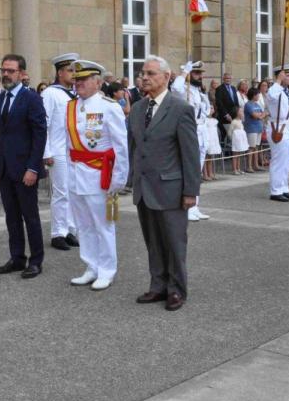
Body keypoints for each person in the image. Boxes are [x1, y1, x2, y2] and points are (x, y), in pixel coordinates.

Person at [128, 55, 201, 312]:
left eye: (150, 73)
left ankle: (176, 290)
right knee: (153, 242)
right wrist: (130, 179)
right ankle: (157, 285)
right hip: (144, 189)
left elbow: (190, 154)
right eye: (142, 73)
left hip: (171, 189)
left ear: (166, 77)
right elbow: (135, 147)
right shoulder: (137, 108)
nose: (144, 78)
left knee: (173, 242)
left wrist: (191, 192)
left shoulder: (180, 108)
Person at [66, 61, 129, 291]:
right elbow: (67, 145)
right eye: (76, 79)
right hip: (76, 174)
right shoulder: (71, 106)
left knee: (104, 224)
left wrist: (119, 178)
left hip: (100, 175)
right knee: (84, 226)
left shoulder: (109, 106)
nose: (79, 83)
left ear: (98, 82)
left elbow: (121, 145)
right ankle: (91, 267)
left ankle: (107, 270)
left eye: (84, 79)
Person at [0, 54, 48, 279]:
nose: (6, 74)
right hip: (5, 170)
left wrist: (33, 168)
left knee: (30, 216)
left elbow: (39, 135)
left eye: (11, 71)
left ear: (22, 73)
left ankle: (35, 260)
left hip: (25, 170)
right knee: (11, 217)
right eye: (3, 70)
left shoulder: (31, 98)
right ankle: (16, 258)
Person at [41, 52, 80, 251]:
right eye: (69, 70)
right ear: (60, 72)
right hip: (56, 150)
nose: (73, 74)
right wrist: (45, 152)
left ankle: (69, 230)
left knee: (72, 192)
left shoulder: (75, 94)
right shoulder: (50, 94)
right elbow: (43, 125)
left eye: (75, 70)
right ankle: (57, 232)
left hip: (73, 150)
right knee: (61, 192)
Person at [267, 65, 289, 202]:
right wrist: (278, 81)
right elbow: (271, 95)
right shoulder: (275, 90)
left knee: (286, 161)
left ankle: (284, 188)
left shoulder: (287, 91)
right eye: (288, 75)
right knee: (278, 161)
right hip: (278, 127)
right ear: (281, 76)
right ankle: (275, 191)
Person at [186, 64, 212, 219]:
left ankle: (195, 205)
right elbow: (175, 87)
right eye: (196, 73)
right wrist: (184, 72)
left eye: (200, 73)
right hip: (192, 129)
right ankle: (188, 207)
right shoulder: (184, 88)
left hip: (202, 129)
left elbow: (207, 109)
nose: (200, 76)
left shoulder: (199, 91)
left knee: (198, 169)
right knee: (191, 169)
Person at [215, 71, 241, 145]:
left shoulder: (233, 88)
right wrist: (226, 114)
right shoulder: (219, 89)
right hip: (225, 117)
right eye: (226, 78)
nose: (228, 80)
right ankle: (225, 154)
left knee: (234, 136)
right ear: (223, 79)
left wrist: (238, 113)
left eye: (229, 78)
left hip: (234, 116)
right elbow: (219, 103)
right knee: (226, 136)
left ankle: (232, 153)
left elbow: (236, 102)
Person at [243, 88, 266, 173]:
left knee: (256, 147)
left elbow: (263, 113)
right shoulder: (248, 104)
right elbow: (256, 116)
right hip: (251, 128)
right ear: (253, 95)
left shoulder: (257, 104)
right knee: (251, 147)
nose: (258, 96)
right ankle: (249, 166)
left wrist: (261, 115)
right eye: (257, 94)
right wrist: (261, 115)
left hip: (259, 128)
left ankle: (256, 165)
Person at [230, 107, 248, 175]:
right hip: (236, 141)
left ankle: (238, 168)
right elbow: (230, 132)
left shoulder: (241, 121)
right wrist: (233, 139)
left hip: (240, 140)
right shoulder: (234, 121)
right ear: (237, 113)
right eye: (241, 111)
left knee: (239, 154)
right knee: (235, 155)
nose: (242, 113)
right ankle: (234, 169)